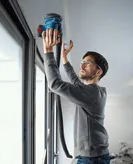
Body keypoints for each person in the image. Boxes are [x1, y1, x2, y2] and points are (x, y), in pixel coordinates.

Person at [42, 28, 110, 164]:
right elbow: (75, 80)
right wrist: (65, 58)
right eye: (82, 62)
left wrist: (48, 52)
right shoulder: (96, 91)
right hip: (93, 156)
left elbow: (55, 84)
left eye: (87, 63)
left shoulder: (92, 93)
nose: (82, 65)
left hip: (92, 159)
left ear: (98, 71)